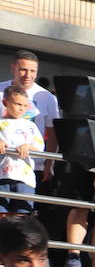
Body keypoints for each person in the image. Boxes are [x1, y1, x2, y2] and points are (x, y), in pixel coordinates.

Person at [0, 51, 59, 184]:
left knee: (24, 204)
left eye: (33, 71)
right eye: (23, 70)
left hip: (32, 166)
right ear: (13, 68)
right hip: (1, 164)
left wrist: (50, 163)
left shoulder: (48, 97)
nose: (28, 75)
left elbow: (52, 133)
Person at [0, 85, 42, 213]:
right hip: (2, 175)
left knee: (22, 214)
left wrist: (28, 146)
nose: (21, 108)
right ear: (5, 102)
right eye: (17, 104)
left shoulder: (30, 126)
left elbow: (39, 147)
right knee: (2, 213)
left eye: (25, 105)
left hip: (25, 177)